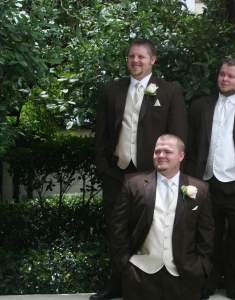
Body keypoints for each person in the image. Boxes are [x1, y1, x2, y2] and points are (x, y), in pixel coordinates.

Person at [93, 38, 188, 299]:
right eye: (131, 56)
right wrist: (104, 169)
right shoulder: (111, 90)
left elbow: (178, 136)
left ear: (152, 60)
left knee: (152, 229)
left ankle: (147, 285)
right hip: (117, 174)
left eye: (141, 57)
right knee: (117, 231)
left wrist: (169, 173)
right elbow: (100, 134)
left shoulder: (170, 92)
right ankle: (117, 285)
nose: (135, 61)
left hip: (153, 176)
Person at [185, 58, 235, 300]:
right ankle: (205, 284)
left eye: (230, 76)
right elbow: (190, 144)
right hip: (205, 182)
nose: (224, 79)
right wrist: (193, 178)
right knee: (207, 236)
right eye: (222, 74)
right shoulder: (201, 105)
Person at [110, 134, 214, 300]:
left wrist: (201, 267)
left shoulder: (200, 189)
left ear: (181, 156)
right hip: (140, 274)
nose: (161, 156)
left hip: (184, 276)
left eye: (167, 152)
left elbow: (206, 234)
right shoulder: (133, 184)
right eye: (157, 151)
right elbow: (118, 227)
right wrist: (125, 265)